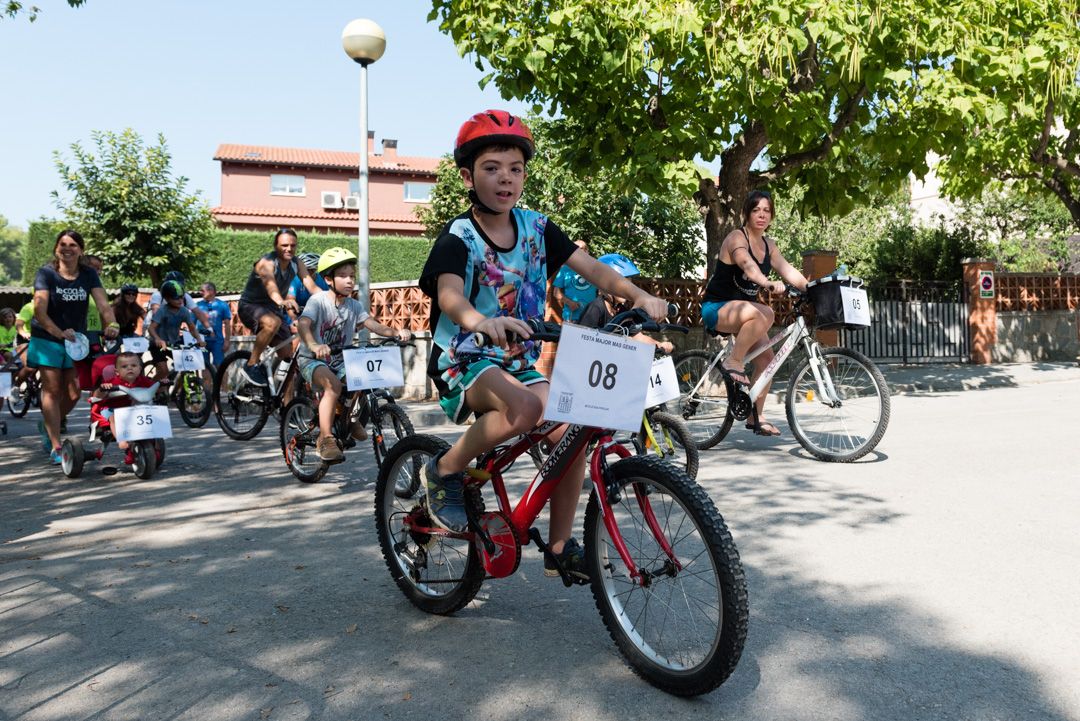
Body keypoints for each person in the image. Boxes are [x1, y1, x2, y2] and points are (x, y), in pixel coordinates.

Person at [419, 109, 668, 579]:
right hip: (464, 359)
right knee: (528, 410)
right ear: (467, 175)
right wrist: (480, 321)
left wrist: (637, 294)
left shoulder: (536, 227)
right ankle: (445, 469)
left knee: (574, 429)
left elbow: (591, 268)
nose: (505, 179)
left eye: (515, 169)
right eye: (491, 168)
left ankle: (558, 546)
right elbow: (448, 293)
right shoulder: (459, 236)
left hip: (517, 358)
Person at [701, 189, 808, 436]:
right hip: (717, 308)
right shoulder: (736, 238)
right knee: (764, 312)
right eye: (756, 210)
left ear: (772, 215)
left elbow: (789, 271)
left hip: (746, 314)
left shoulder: (770, 246)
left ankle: (756, 416)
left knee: (767, 361)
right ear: (746, 213)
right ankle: (734, 361)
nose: (761, 215)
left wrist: (813, 289)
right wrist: (766, 282)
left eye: (767, 210)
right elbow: (748, 266)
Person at [296, 247, 412, 463]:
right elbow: (304, 323)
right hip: (313, 360)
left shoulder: (354, 305)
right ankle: (326, 438)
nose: (349, 280)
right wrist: (313, 344)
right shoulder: (318, 300)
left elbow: (372, 325)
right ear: (328, 279)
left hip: (340, 359)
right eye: (343, 276)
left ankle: (348, 419)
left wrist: (396, 332)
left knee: (361, 380)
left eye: (352, 275)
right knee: (333, 386)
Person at [28, 229, 119, 463]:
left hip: (74, 340)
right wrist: (58, 332)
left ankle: (49, 422)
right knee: (52, 389)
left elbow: (103, 304)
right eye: (62, 244)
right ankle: (56, 446)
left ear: (81, 250)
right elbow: (40, 309)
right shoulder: (46, 273)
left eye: (72, 245)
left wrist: (112, 324)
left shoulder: (88, 274)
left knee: (74, 392)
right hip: (47, 336)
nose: (67, 248)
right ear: (56, 248)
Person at [237, 228, 321, 386]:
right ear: (276, 246)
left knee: (287, 354)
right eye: (284, 245)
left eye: (293, 245)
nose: (289, 249)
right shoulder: (266, 263)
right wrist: (281, 301)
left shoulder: (296, 263)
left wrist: (330, 300)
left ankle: (272, 390)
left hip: (272, 310)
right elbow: (271, 286)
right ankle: (251, 365)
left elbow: (311, 286)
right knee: (273, 322)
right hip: (250, 306)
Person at [578, 253, 675, 355]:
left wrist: (659, 344)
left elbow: (638, 337)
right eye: (621, 287)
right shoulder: (595, 308)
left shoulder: (621, 310)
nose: (626, 291)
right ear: (605, 285)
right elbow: (582, 341)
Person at [91, 351, 157, 466]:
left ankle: (154, 447)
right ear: (117, 372)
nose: (129, 368)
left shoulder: (143, 381)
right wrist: (103, 389)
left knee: (152, 413)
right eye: (124, 367)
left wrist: (162, 383)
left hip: (134, 410)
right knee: (113, 417)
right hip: (112, 409)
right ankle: (121, 439)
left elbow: (154, 388)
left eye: (134, 366)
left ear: (140, 368)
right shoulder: (113, 382)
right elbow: (97, 396)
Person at [148, 280, 205, 381]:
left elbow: (192, 328)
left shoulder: (184, 311)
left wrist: (199, 340)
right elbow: (151, 328)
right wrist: (157, 339)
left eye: (181, 297)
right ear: (167, 298)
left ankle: (177, 393)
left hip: (174, 343)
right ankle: (149, 387)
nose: (180, 300)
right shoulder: (162, 311)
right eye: (176, 298)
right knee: (163, 371)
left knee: (187, 366)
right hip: (158, 345)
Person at [551, 239, 598, 322]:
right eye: (575, 248)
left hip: (591, 317)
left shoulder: (595, 269)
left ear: (587, 251)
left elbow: (602, 291)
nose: (578, 251)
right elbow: (556, 292)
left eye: (581, 248)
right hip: (571, 317)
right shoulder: (565, 269)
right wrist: (569, 302)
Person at [195, 281, 232, 368]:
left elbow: (227, 324)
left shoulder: (222, 305)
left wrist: (227, 341)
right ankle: (207, 382)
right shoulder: (197, 306)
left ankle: (221, 382)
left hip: (217, 341)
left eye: (202, 291)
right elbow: (191, 323)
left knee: (220, 366)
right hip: (202, 341)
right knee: (205, 366)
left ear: (211, 291)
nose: (200, 293)